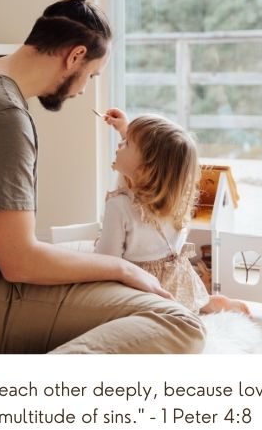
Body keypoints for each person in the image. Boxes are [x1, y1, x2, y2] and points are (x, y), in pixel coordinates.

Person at [0, 0, 205, 354]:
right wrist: (124, 268)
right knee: (178, 322)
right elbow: (20, 261)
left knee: (131, 297)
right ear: (75, 56)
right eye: (91, 75)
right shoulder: (2, 116)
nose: (83, 90)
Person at [96, 108, 250, 316]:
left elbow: (106, 261)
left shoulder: (118, 206)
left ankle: (199, 306)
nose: (119, 145)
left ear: (144, 169)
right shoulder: (170, 199)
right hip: (177, 275)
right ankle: (210, 303)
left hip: (143, 286)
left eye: (126, 143)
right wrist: (125, 130)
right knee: (189, 303)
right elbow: (141, 162)